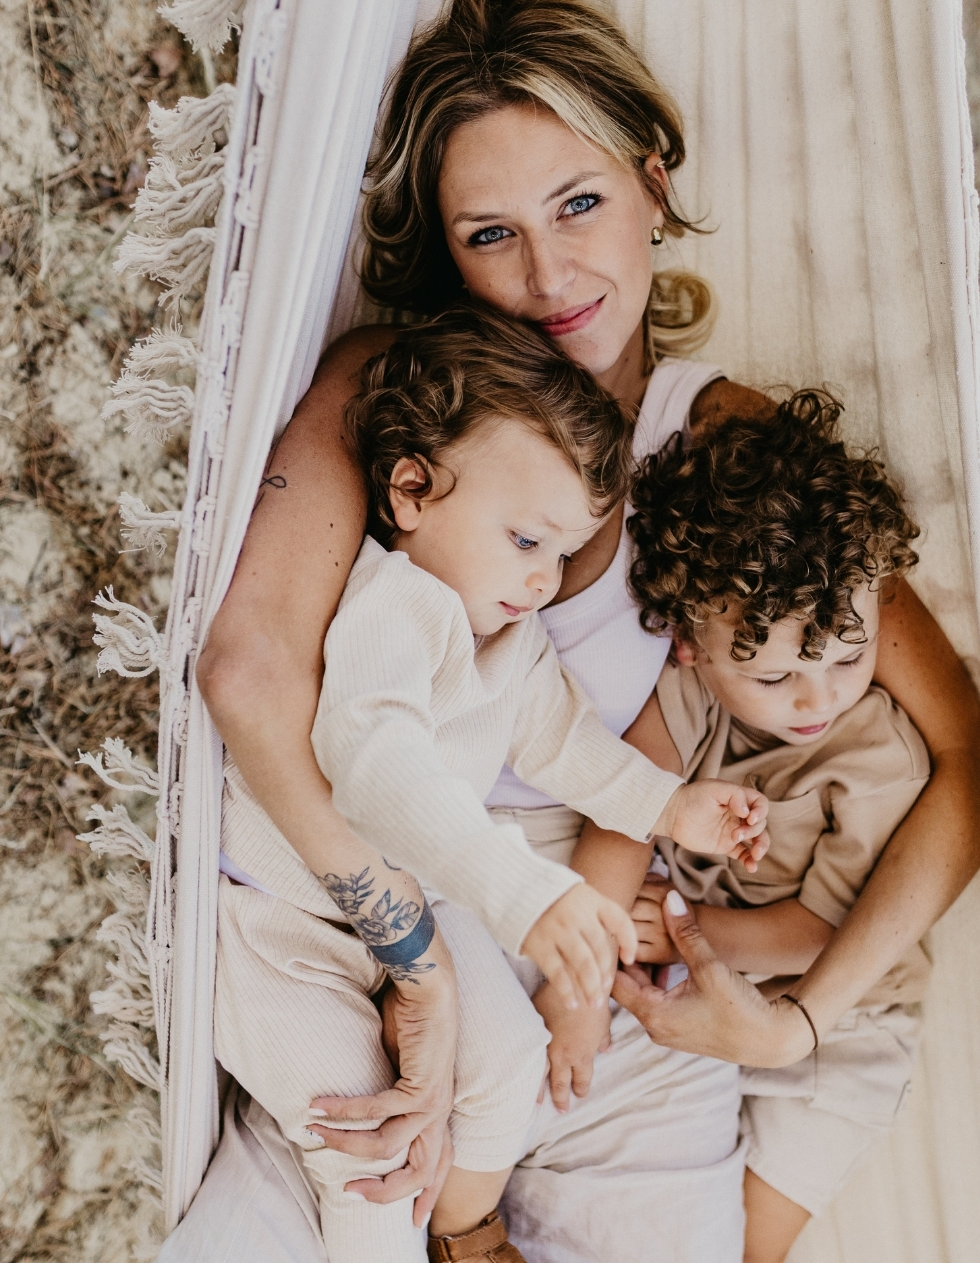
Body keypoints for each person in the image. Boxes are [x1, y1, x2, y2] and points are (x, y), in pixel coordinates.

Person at [169, 0, 980, 1263]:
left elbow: (968, 761)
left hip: (596, 967)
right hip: (343, 900)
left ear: (653, 181)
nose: (547, 277)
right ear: (443, 251)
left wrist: (799, 1020)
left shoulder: (721, 443)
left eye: (579, 204)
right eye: (489, 233)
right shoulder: (397, 396)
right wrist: (420, 959)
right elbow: (250, 677)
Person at [213, 304, 769, 1263]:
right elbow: (375, 766)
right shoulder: (398, 605)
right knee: (367, 1150)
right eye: (525, 541)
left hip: (417, 903)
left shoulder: (509, 634)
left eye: (563, 551)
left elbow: (565, 746)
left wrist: (670, 807)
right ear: (413, 490)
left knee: (506, 1068)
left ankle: (464, 1237)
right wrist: (520, 892)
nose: (546, 578)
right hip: (287, 926)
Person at [622, 391, 931, 1262]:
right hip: (708, 990)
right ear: (687, 641)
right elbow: (626, 797)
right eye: (776, 676)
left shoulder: (876, 759)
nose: (819, 698)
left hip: (844, 1024)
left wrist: (684, 934)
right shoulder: (685, 693)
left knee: (747, 1249)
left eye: (849, 654)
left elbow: (822, 932)